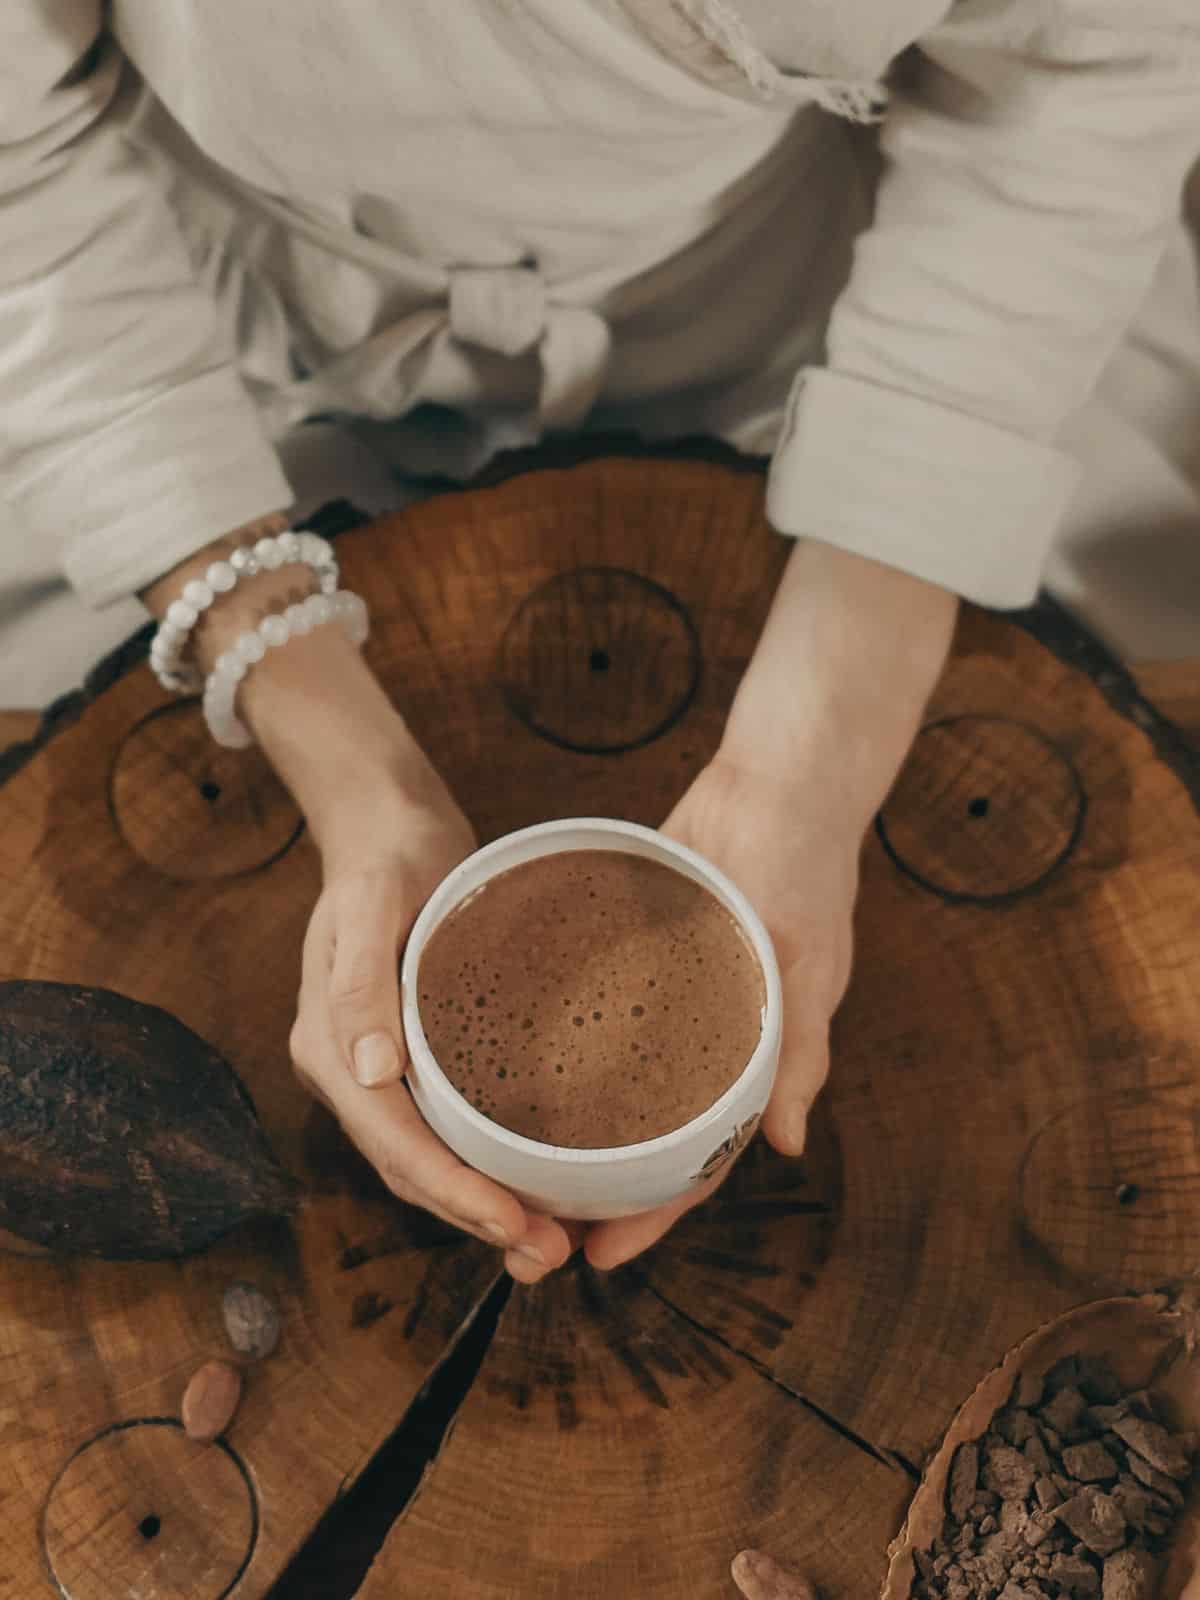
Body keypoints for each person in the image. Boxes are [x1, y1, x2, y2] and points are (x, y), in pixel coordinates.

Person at [3, 3, 1198, 1287]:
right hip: (202, 345)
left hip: (850, 324)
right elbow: (24, 167)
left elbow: (1079, 78)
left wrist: (812, 760)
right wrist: (351, 769)